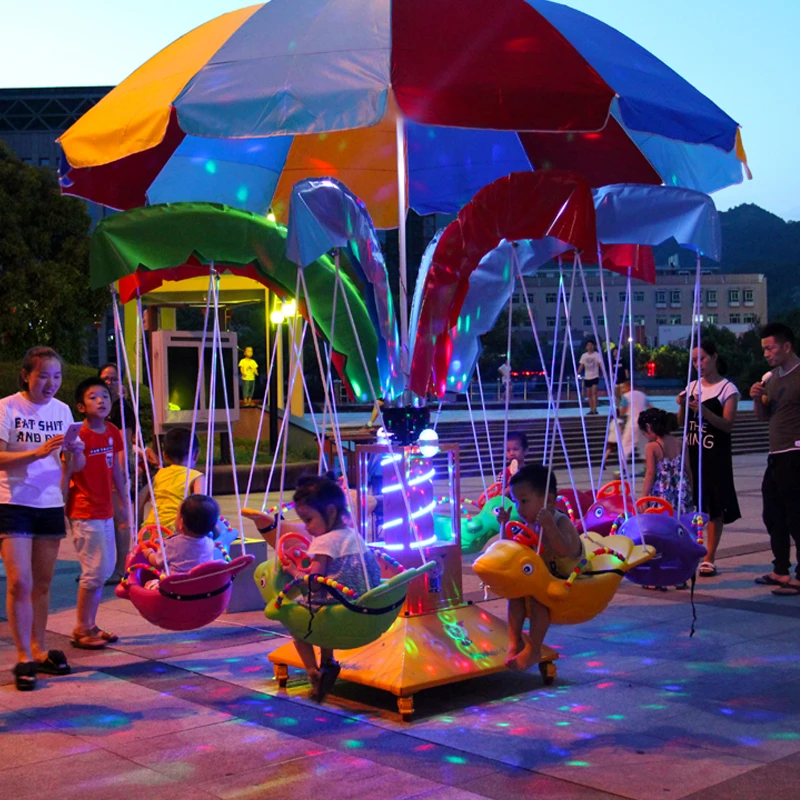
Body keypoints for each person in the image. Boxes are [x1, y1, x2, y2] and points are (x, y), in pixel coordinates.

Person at [0, 347, 86, 690]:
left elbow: (74, 466)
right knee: (20, 581)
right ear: (26, 376)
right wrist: (36, 452)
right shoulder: (7, 407)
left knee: (43, 583)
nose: (51, 383)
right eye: (44, 376)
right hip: (13, 502)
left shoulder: (62, 410)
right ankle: (23, 656)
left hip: (50, 502)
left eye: (57, 376)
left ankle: (38, 649)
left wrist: (75, 453)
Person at [253, 475, 380, 701]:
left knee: (293, 616)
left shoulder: (323, 542)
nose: (307, 528)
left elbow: (313, 582)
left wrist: (294, 571)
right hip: (361, 603)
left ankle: (313, 671)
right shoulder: (353, 534)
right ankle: (328, 661)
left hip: (335, 606)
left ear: (330, 511)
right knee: (319, 610)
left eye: (309, 519)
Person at [64, 378, 129, 649]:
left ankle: (91, 624)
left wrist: (124, 502)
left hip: (105, 509)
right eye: (93, 397)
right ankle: (81, 629)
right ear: (81, 406)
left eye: (104, 395)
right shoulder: (77, 436)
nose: (101, 400)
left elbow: (116, 471)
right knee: (94, 571)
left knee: (106, 567)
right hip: (84, 510)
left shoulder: (112, 431)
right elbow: (72, 469)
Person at [498, 465, 582, 671]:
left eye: (524, 501)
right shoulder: (531, 522)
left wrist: (549, 527)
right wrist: (504, 526)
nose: (519, 508)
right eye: (516, 502)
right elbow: (513, 548)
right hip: (543, 573)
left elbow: (565, 552)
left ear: (549, 501)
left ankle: (534, 648)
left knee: (538, 601)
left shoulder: (559, 521)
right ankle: (515, 641)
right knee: (515, 595)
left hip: (566, 573)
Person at [677, 339, 740, 577]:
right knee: (692, 504)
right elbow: (681, 423)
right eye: (694, 361)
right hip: (692, 454)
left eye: (702, 359)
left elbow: (728, 425)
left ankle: (709, 557)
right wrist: (682, 405)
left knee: (715, 506)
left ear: (714, 357)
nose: (698, 364)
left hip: (715, 456)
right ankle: (689, 552)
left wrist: (704, 412)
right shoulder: (692, 386)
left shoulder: (727, 389)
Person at [750, 323, 800, 595]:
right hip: (776, 455)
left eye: (770, 348)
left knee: (796, 516)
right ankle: (780, 569)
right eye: (764, 349)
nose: (766, 354)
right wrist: (757, 399)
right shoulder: (772, 378)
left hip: (795, 453)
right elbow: (763, 416)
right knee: (773, 514)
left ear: (787, 346)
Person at [98, 363, 135, 586]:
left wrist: (119, 476)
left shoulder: (122, 409)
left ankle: (121, 568)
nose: (109, 383)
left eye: (113, 379)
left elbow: (123, 445)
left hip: (115, 471)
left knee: (120, 520)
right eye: (105, 378)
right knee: (100, 522)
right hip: (96, 471)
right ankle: (98, 567)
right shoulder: (97, 406)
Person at [140, 428, 205, 533]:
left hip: (151, 530)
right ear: (196, 454)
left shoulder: (159, 474)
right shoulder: (196, 477)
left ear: (165, 456)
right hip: (176, 531)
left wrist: (139, 527)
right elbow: (201, 507)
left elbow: (140, 500)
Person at [146, 494, 225, 580]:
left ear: (181, 523)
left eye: (177, 515)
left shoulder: (172, 544)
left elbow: (157, 562)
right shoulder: (210, 542)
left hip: (175, 585)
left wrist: (149, 554)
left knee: (148, 583)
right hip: (201, 583)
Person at [639, 408, 693, 514]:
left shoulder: (652, 447)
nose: (645, 437)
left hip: (663, 493)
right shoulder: (680, 443)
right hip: (682, 491)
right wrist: (691, 491)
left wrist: (644, 497)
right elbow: (688, 470)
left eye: (644, 433)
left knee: (663, 521)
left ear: (648, 427)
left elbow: (650, 474)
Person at [618, 380, 650, 470]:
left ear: (629, 386)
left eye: (623, 388)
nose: (622, 390)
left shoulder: (626, 396)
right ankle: (647, 468)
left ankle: (622, 469)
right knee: (644, 446)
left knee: (625, 445)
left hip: (632, 423)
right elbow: (650, 406)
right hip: (644, 423)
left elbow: (622, 411)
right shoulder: (642, 395)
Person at [578, 341, 603, 415]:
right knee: (589, 394)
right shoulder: (584, 356)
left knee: (594, 393)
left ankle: (595, 409)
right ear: (586, 347)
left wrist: (603, 372)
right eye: (588, 345)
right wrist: (578, 373)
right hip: (587, 377)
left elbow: (600, 364)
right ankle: (591, 409)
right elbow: (581, 365)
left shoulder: (597, 355)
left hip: (595, 376)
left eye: (591, 345)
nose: (590, 346)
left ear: (593, 346)